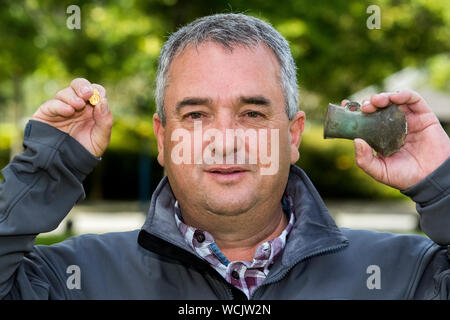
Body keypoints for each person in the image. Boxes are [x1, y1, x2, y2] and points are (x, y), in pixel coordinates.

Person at [0, 13, 449, 300]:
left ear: (293, 136)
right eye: (195, 114)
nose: (224, 139)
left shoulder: (406, 276)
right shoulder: (71, 279)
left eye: (252, 113)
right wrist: (46, 170)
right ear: (162, 139)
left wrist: (442, 183)